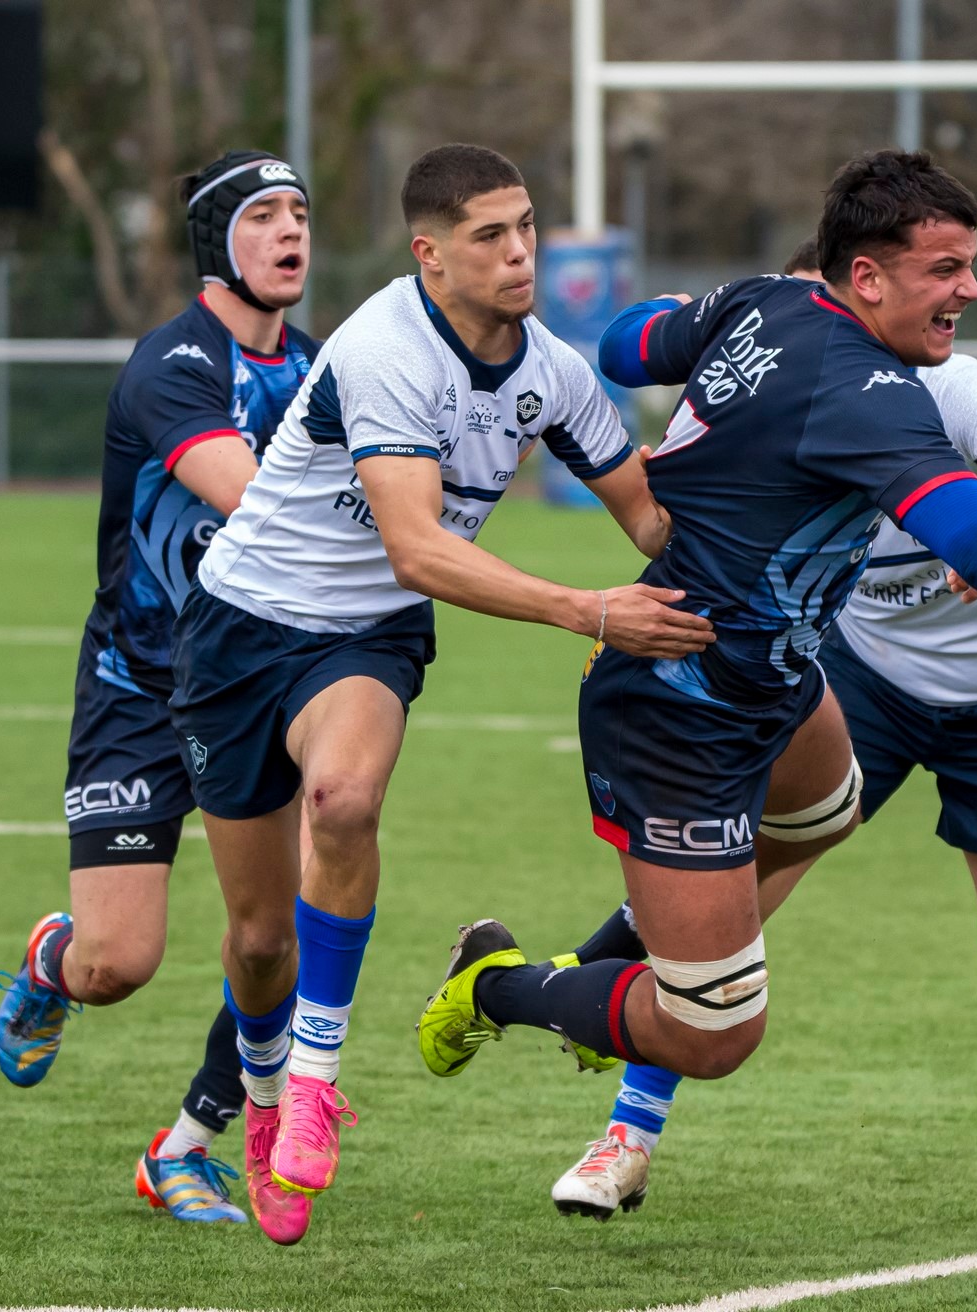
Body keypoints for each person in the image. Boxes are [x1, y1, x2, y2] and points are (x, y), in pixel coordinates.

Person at [416, 153, 977, 1210]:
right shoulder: (867, 395)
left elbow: (629, 346)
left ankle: (632, 978)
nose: (971, 290)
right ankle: (512, 989)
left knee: (825, 811)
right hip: (680, 706)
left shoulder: (769, 304)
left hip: (800, 683)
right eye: (945, 270)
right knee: (716, 1032)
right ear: (863, 277)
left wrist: (708, 318)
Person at [166, 142, 710, 1247]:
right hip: (239, 628)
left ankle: (312, 1083)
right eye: (489, 236)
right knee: (258, 940)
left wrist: (770, 513)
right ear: (431, 254)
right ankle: (261, 1100)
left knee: (344, 801)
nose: (521, 254)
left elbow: (652, 520)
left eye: (526, 228)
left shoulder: (554, 370)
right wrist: (591, 611)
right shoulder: (384, 348)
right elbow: (417, 548)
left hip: (365, 637)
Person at [539, 237, 977, 1241]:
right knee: (733, 885)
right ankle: (627, 1132)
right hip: (866, 679)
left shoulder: (938, 384)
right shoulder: (782, 379)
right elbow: (635, 366)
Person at [0, 150, 319, 1226]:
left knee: (281, 932)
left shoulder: (322, 366)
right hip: (139, 686)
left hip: (262, 685)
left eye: (300, 213)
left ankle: (189, 1144)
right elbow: (253, 501)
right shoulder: (172, 364)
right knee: (116, 965)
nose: (291, 231)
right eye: (264, 214)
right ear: (217, 239)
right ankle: (54, 960)